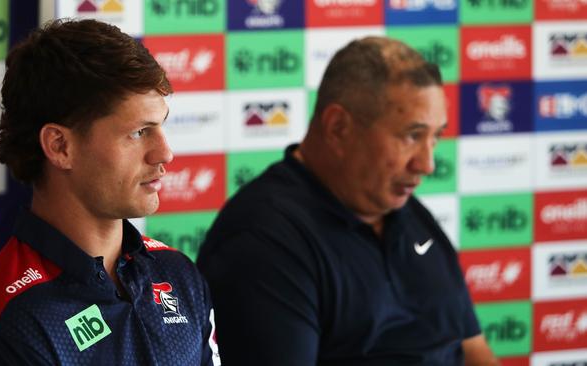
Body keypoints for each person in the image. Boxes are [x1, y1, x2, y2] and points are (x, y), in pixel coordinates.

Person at [197, 36, 497, 365]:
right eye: (412, 136)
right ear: (338, 127)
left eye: (435, 137)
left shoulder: (407, 212)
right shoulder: (262, 237)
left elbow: (473, 349)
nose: (427, 164)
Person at [0, 19, 219, 366]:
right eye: (138, 132)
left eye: (161, 126)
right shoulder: (12, 320)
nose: (164, 153)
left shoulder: (177, 274)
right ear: (60, 146)